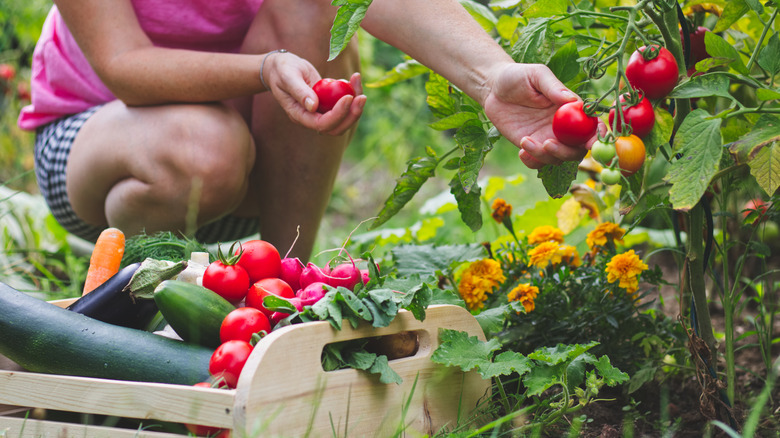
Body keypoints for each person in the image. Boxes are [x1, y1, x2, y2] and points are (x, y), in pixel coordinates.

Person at [19, 0, 590, 262]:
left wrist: (490, 78)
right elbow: (126, 69)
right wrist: (267, 69)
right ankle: (135, 295)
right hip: (101, 148)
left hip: (254, 155)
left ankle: (285, 278)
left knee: (317, 9)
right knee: (202, 149)